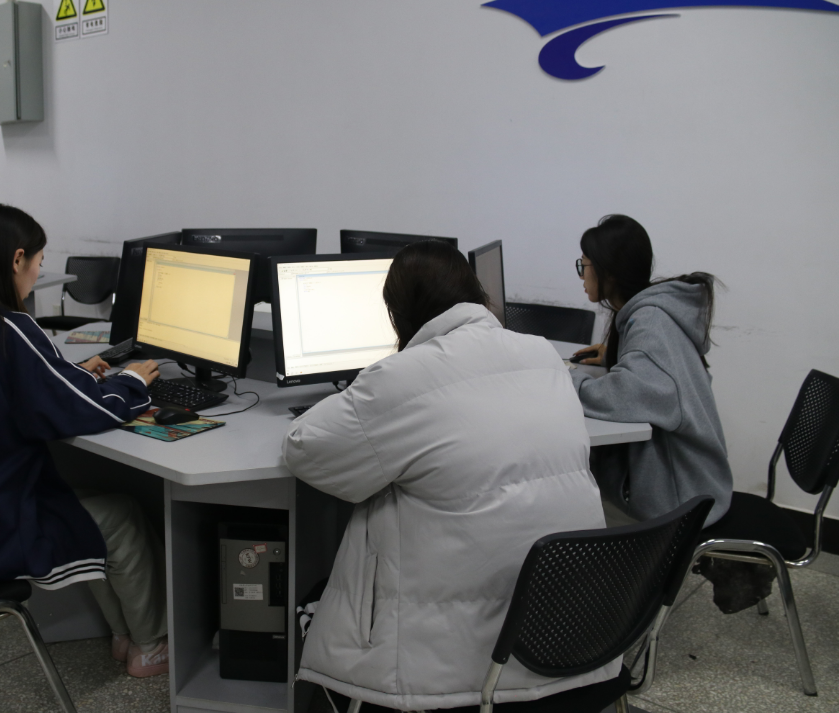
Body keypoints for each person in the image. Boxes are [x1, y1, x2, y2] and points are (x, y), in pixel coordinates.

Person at [283, 241, 617, 709]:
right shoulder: (541, 354)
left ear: (398, 314)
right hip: (562, 637)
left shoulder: (400, 377)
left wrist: (358, 394)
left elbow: (306, 448)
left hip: (450, 667)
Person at [0, 203, 169, 677]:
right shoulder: (8, 326)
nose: (37, 274)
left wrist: (67, 374)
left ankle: (121, 636)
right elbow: (83, 410)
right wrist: (132, 382)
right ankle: (148, 647)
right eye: (39, 263)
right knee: (122, 515)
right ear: (16, 259)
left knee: (87, 502)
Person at [570, 214, 732, 527]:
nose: (581, 275)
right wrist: (615, 355)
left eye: (583, 265)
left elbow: (624, 397)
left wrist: (567, 380)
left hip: (682, 500)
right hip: (694, 483)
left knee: (570, 500)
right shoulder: (653, 312)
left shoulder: (650, 323)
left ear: (608, 271)